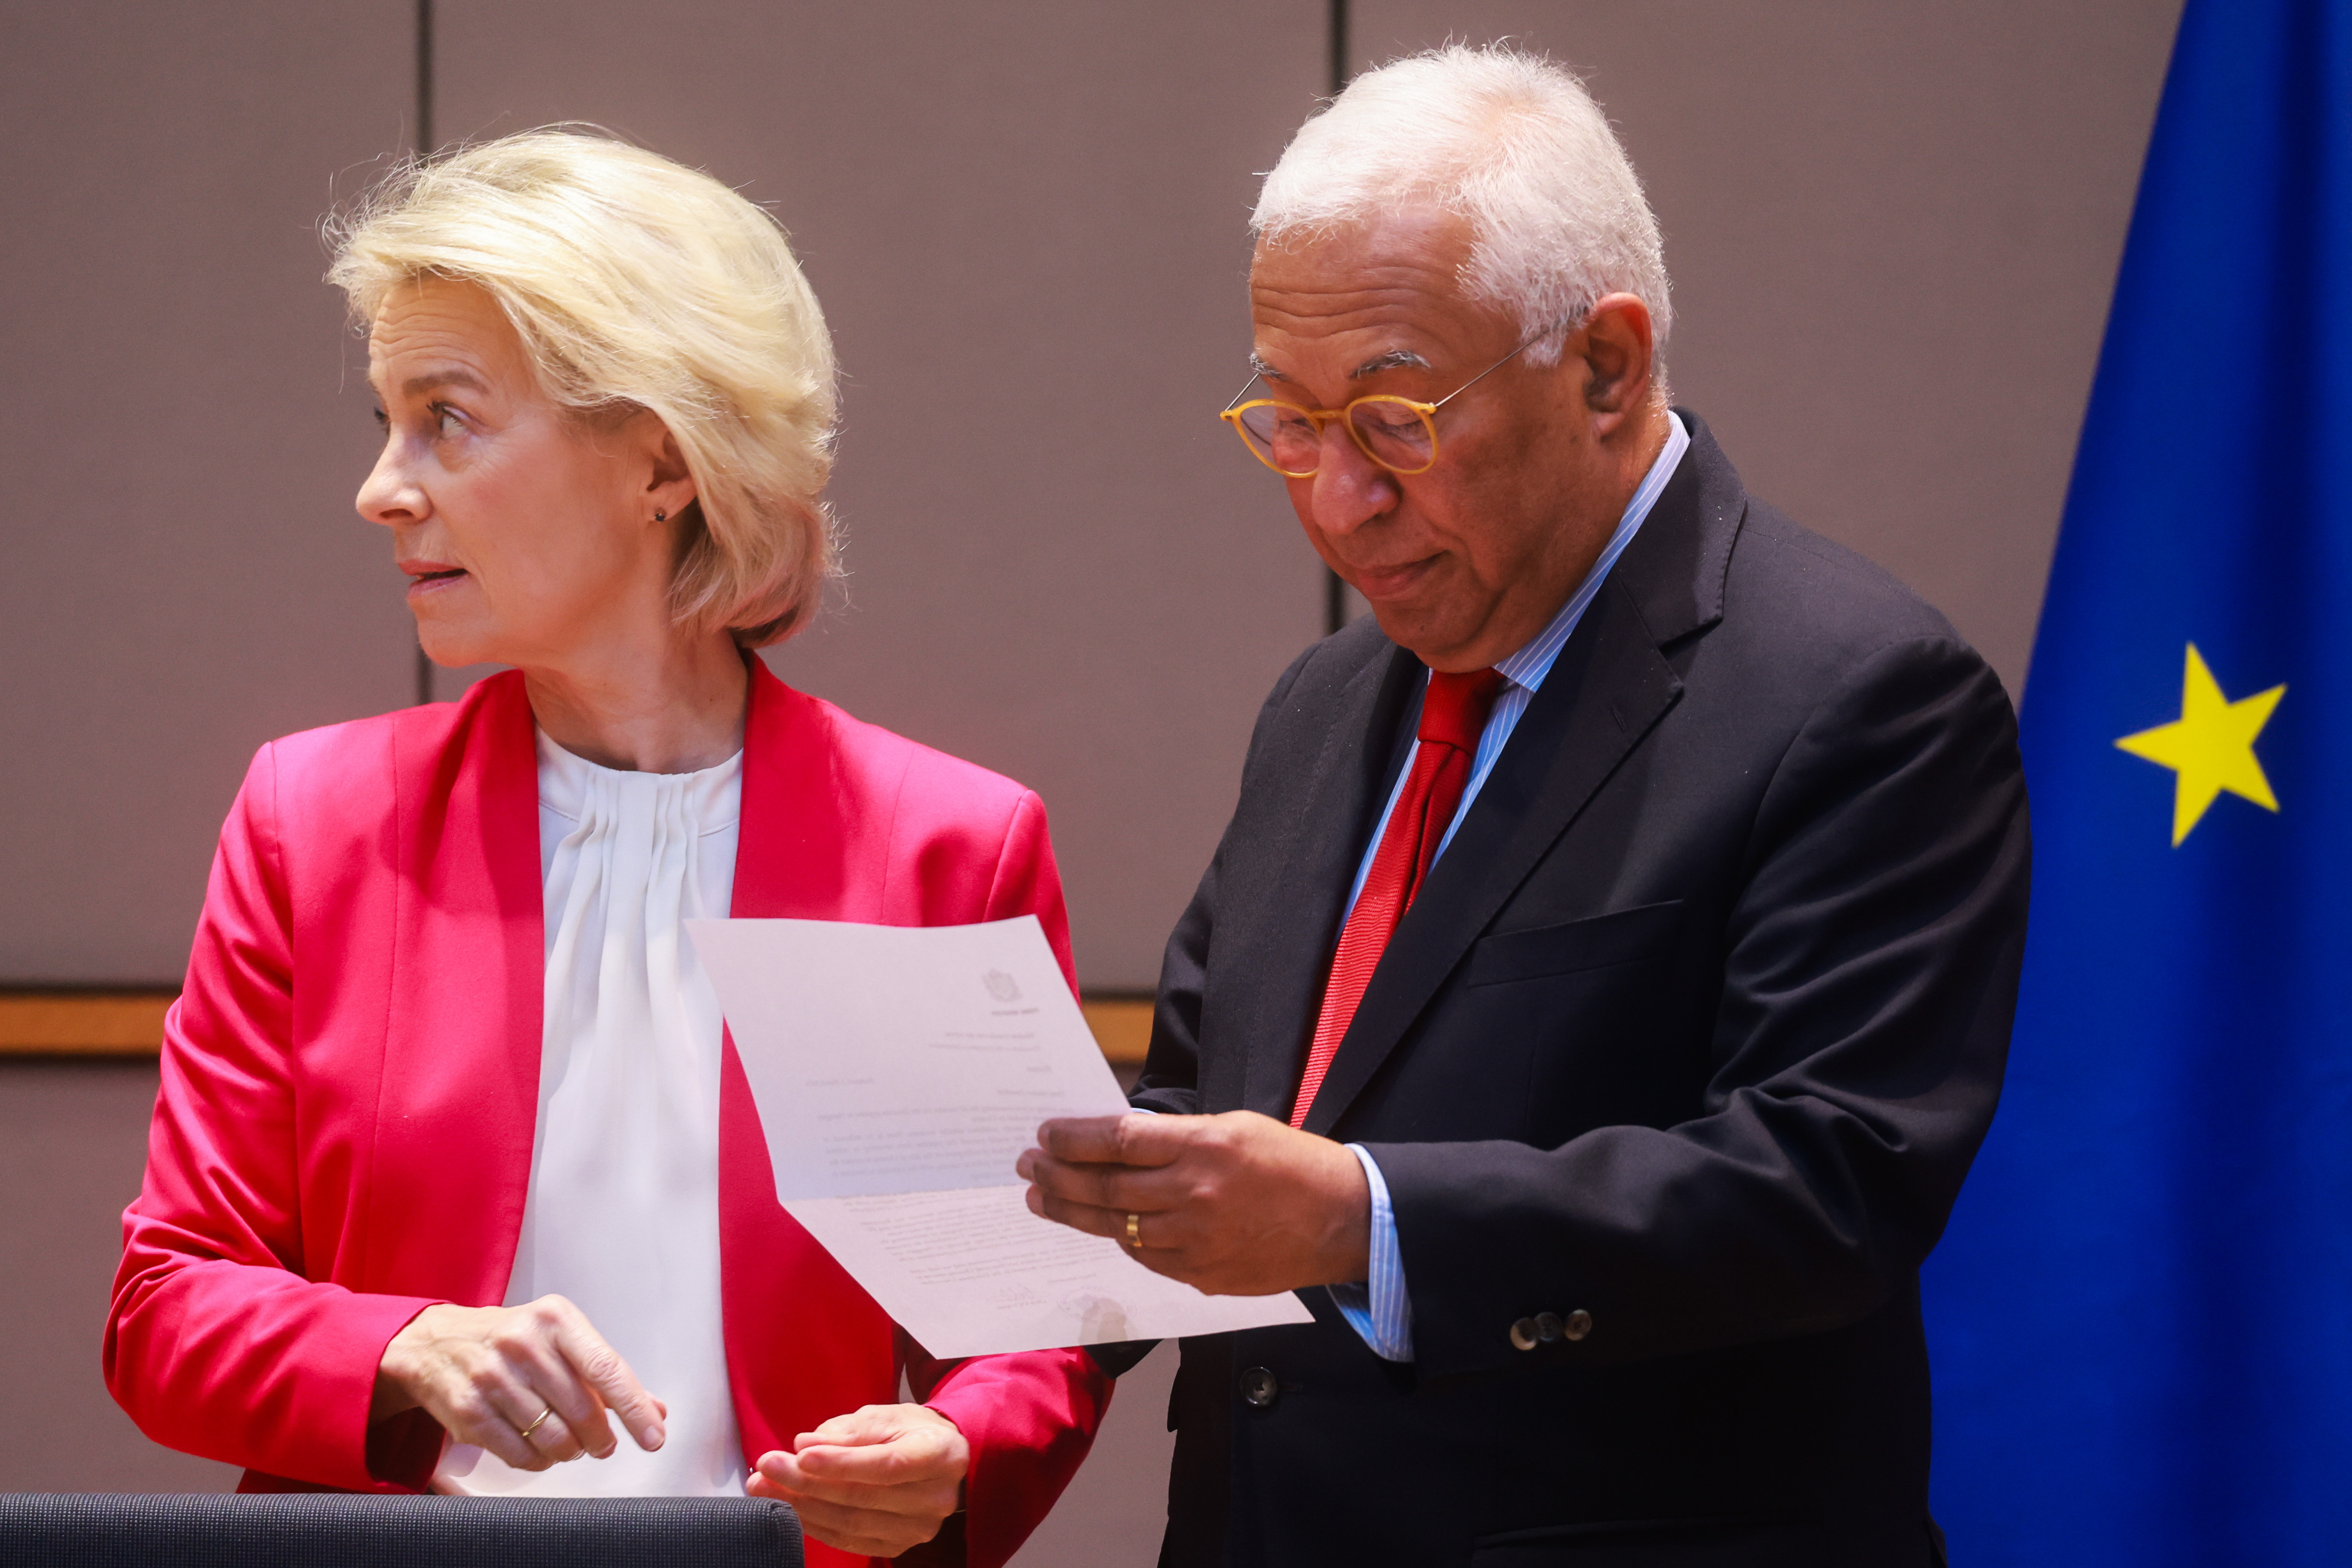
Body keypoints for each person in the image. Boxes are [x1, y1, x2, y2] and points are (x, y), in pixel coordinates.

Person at [1019, 45, 2029, 1567]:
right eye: (1287, 420)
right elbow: (1199, 1113)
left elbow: (1824, 1183)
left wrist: (1360, 1221)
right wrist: (991, 1384)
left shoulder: (1861, 692)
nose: (1333, 498)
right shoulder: (1326, 703)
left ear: (1606, 367)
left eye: (1392, 418)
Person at [106, 131, 1107, 1568]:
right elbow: (165, 1306)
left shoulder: (944, 847)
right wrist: (405, 1345)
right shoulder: (314, 821)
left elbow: (1025, 1336)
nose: (384, 486)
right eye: (390, 421)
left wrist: (961, 1447)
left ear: (657, 459)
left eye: (447, 418)